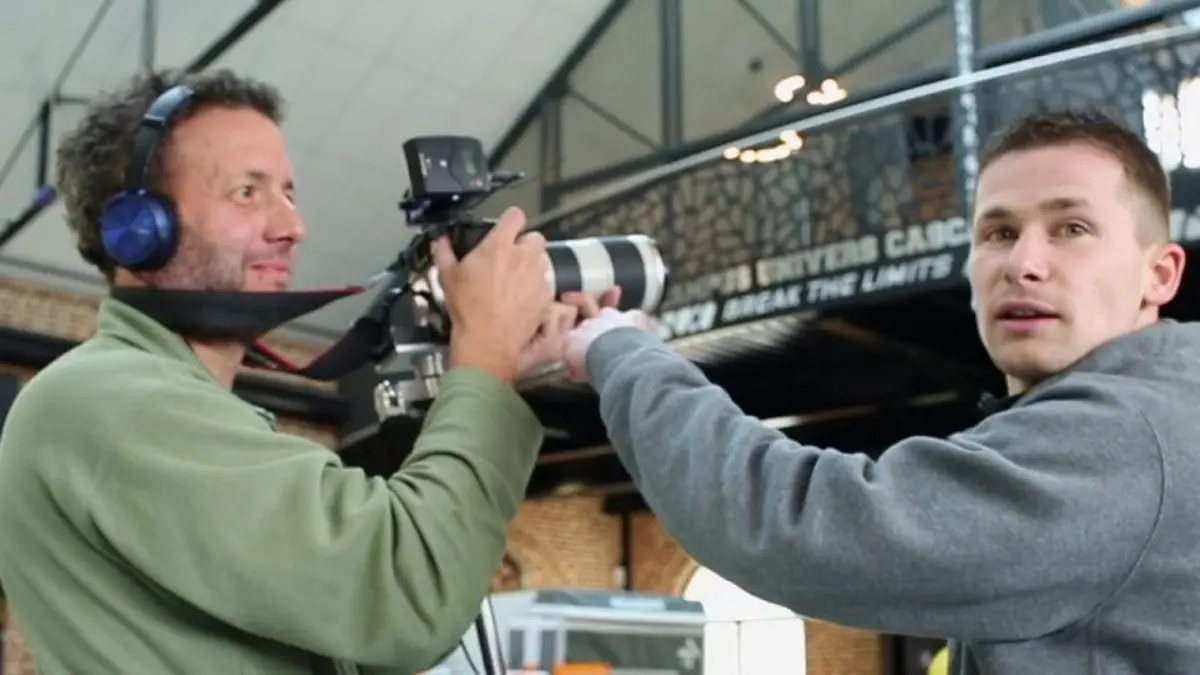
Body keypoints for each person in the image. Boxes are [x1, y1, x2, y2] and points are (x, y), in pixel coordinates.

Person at [560, 109, 1199, 675]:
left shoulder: (1126, 434)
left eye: (1072, 229)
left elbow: (799, 524)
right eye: (999, 233)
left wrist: (623, 354)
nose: (1022, 263)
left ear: (1160, 274)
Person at [0, 69, 585, 674]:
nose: (292, 228)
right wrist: (483, 357)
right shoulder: (108, 401)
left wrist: (503, 360)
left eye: (288, 194)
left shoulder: (158, 405)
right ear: (139, 230)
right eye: (246, 193)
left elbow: (360, 643)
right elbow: (406, 593)